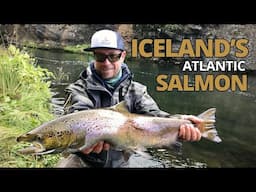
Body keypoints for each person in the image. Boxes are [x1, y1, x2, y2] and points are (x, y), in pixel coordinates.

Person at [56, 29, 202, 168]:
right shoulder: (77, 89)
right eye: (101, 56)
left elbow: (154, 117)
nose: (107, 62)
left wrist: (180, 122)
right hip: (82, 160)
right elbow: (76, 115)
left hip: (120, 163)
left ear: (123, 56)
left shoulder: (137, 91)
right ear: (94, 56)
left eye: (113, 56)